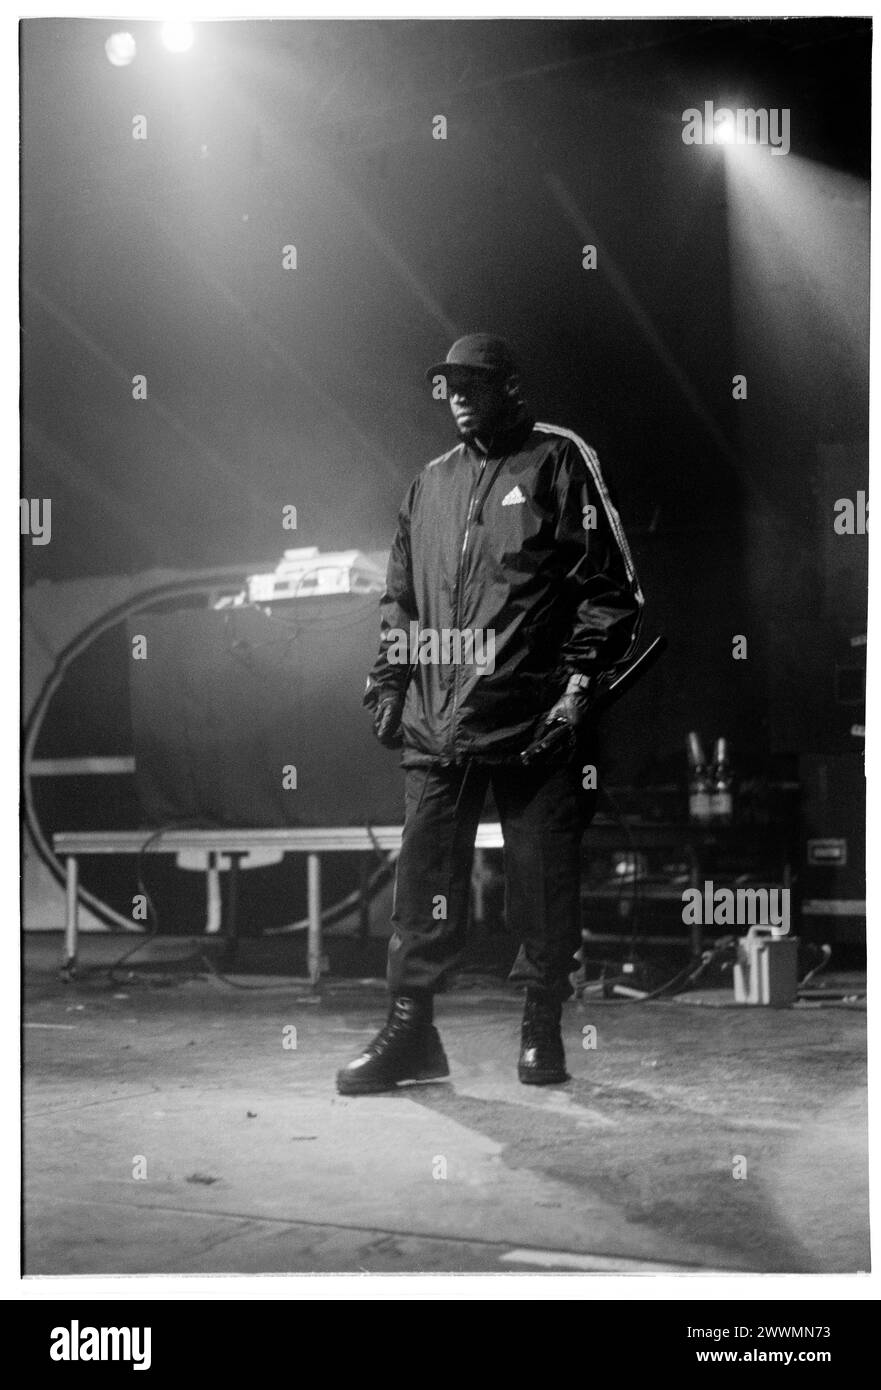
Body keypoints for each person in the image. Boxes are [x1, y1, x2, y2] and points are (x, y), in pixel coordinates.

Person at [337, 333, 643, 1094]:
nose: (457, 395)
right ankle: (412, 1034)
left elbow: (609, 588)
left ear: (510, 385)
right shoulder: (427, 485)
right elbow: (400, 598)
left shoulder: (557, 459)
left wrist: (575, 690)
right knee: (422, 884)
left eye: (472, 382)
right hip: (440, 723)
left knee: (542, 883)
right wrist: (388, 681)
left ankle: (541, 1024)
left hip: (535, 722)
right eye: (446, 384)